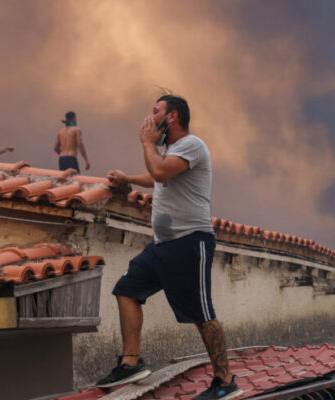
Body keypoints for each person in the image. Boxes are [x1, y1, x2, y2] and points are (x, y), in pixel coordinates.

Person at [100, 95, 242, 399]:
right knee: (126, 290)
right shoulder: (170, 152)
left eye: (156, 112)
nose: (150, 118)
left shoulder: (192, 145)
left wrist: (147, 143)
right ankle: (130, 363)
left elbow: (161, 171)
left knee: (202, 314)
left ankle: (225, 381)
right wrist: (128, 179)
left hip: (190, 242)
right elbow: (158, 176)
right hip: (162, 246)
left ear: (172, 117)